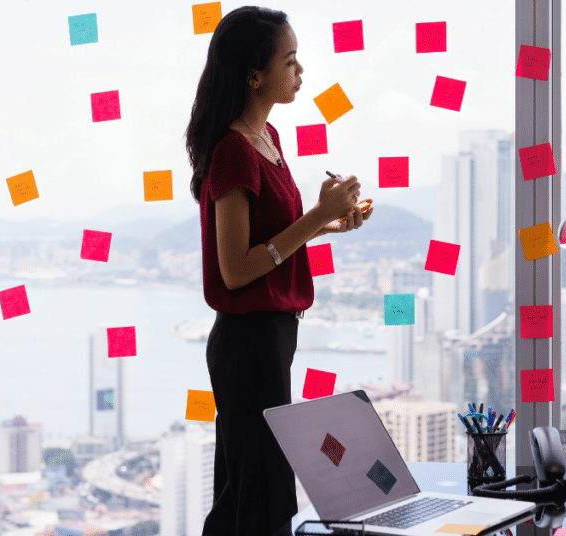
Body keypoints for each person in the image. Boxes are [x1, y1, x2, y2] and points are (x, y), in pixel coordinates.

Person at [184, 6, 374, 536]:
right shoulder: (234, 152)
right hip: (248, 342)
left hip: (271, 338)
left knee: (249, 492)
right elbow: (238, 268)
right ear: (254, 75)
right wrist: (315, 216)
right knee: (260, 496)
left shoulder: (267, 139)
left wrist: (325, 224)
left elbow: (268, 242)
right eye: (289, 61)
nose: (300, 72)